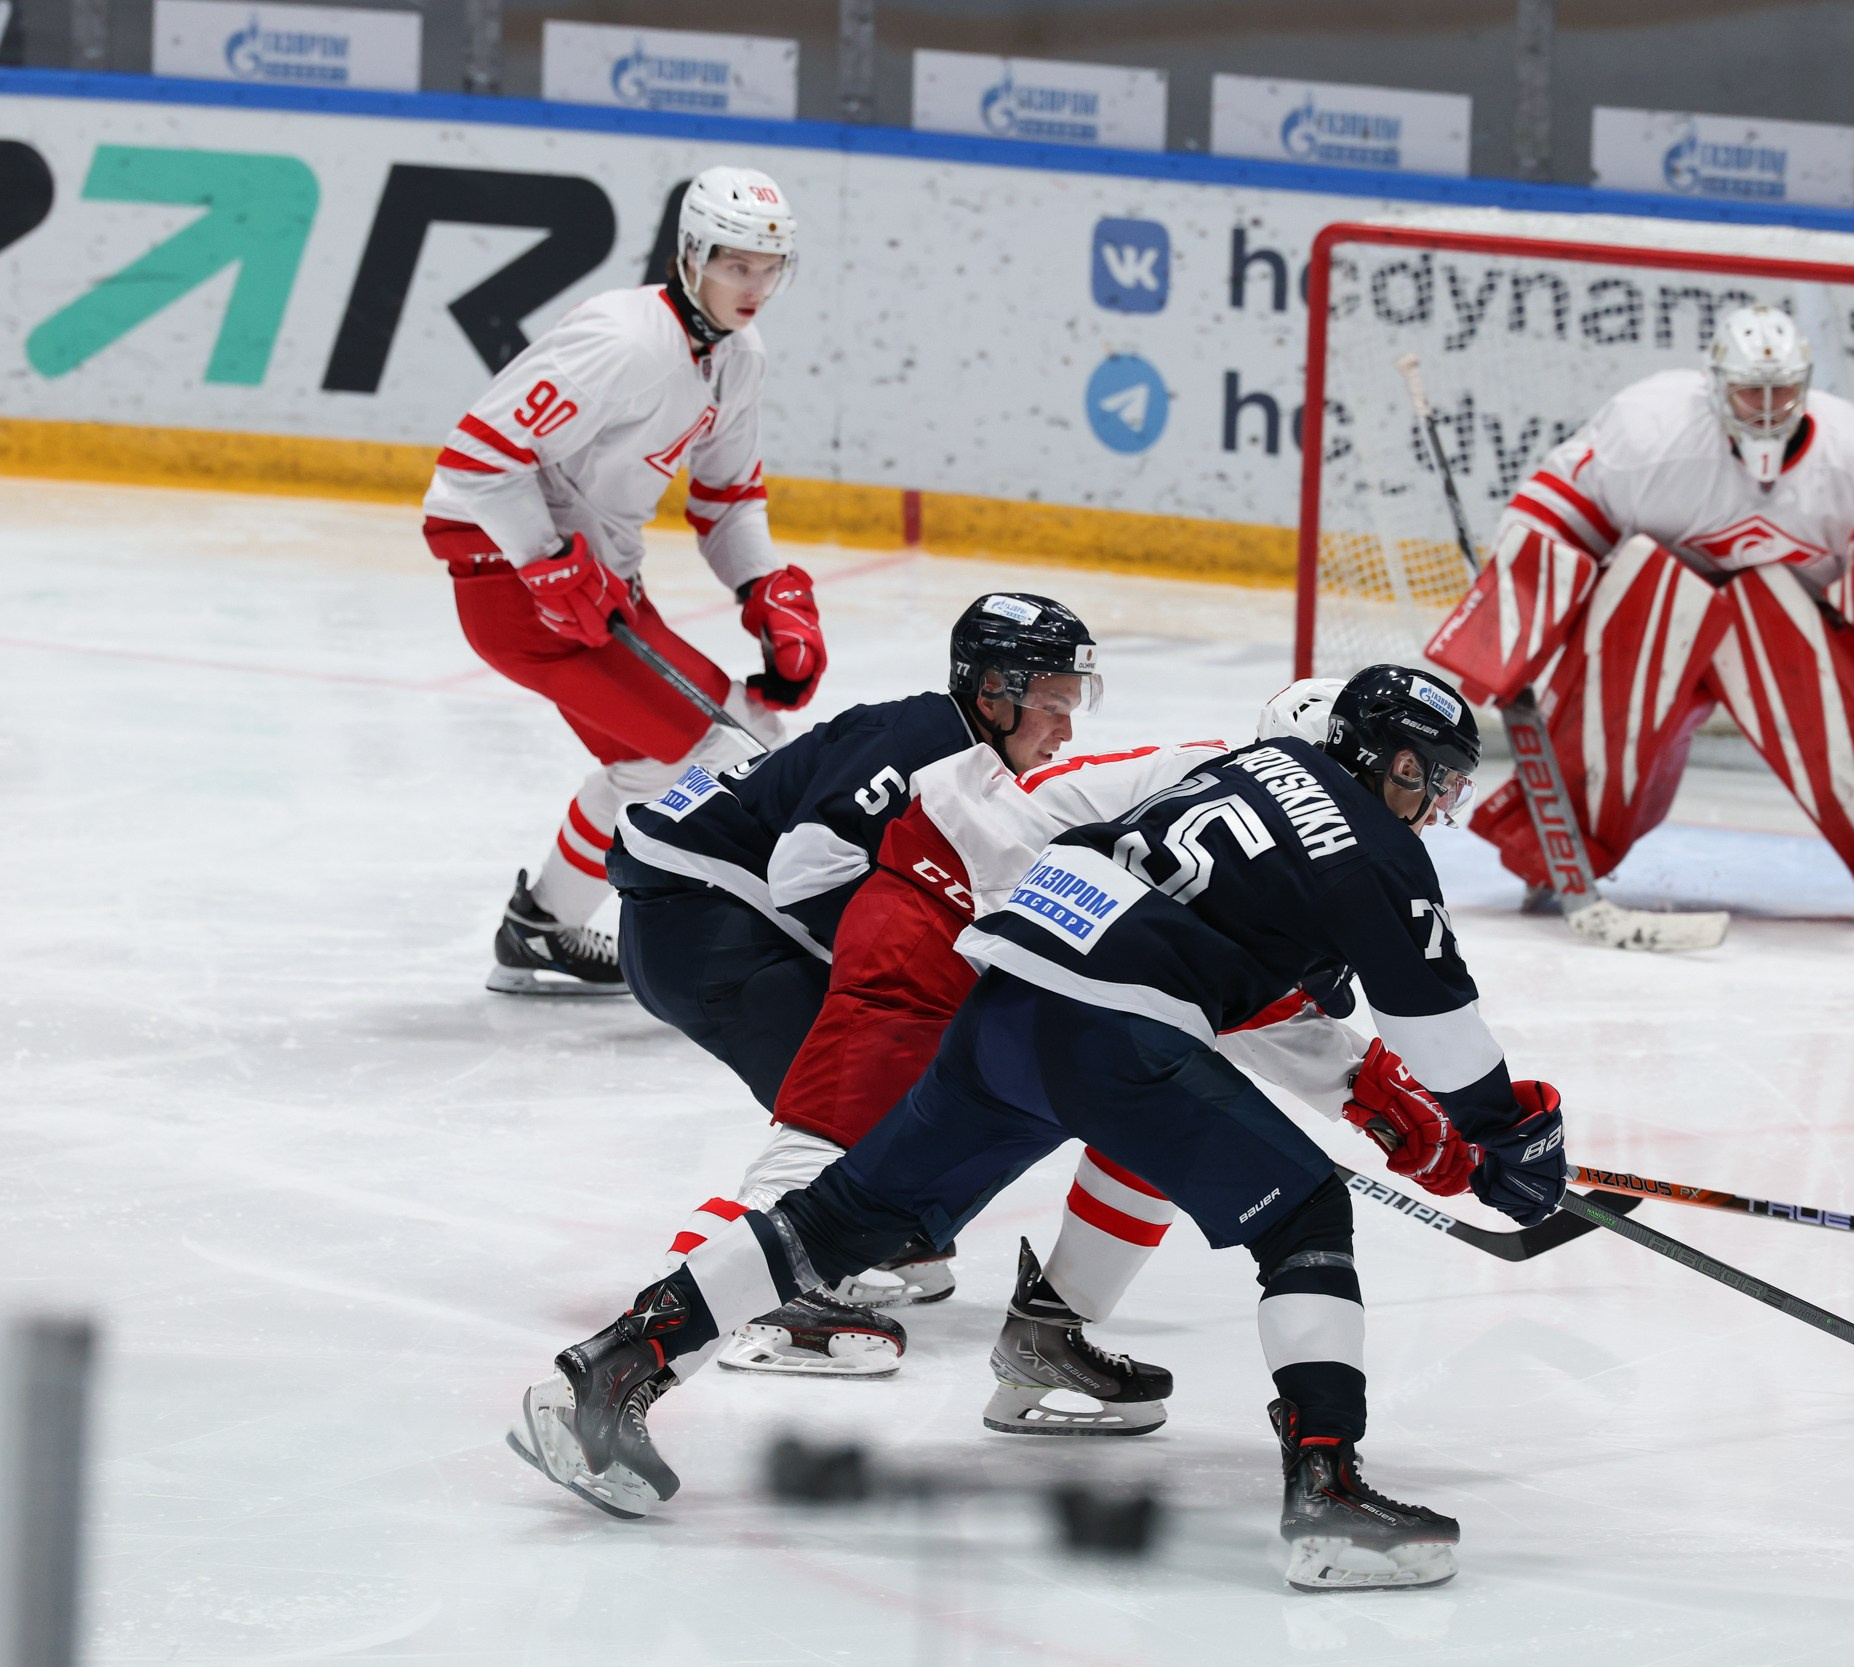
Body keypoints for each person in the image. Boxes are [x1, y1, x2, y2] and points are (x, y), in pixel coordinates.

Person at [508, 666, 1570, 1595]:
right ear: (1386, 761)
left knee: (854, 1212)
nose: (1434, 804)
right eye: (1430, 777)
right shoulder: (1368, 846)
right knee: (1304, 1212)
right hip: (1047, 985)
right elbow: (1434, 1021)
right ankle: (1329, 1489)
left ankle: (611, 1367)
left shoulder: (1228, 773)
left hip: (1007, 994)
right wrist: (1500, 1136)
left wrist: (1402, 1106)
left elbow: (1230, 971)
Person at [665, 676, 1368, 1442]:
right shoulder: (1203, 786)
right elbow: (1025, 823)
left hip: (1041, 959)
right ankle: (690, 1303)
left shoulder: (1313, 852)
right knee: (836, 1131)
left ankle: (1048, 1334)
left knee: (1160, 1120)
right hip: (938, 912)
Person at [610, 592, 1140, 1384]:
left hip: (704, 918)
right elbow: (805, 872)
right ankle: (742, 1290)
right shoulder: (930, 744)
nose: (1066, 729)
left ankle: (868, 1232)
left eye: (1075, 704)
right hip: (702, 925)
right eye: (1052, 703)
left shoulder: (957, 751)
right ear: (992, 690)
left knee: (916, 1076)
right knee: (855, 1103)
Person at [1426, 305, 1854, 927]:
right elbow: (1553, 522)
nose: (1767, 407)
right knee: (1646, 578)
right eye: (1750, 391)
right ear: (1714, 384)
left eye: (1782, 390)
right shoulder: (1649, 428)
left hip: (1794, 642)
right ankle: (1559, 852)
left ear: (1807, 387)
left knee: (1767, 604)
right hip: (1656, 622)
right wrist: (1510, 619)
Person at [421, 166, 827, 995]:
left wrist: (764, 589)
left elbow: (726, 498)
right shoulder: (623, 341)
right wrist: (543, 558)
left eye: (769, 267)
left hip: (591, 589)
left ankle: (542, 928)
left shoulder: (737, 357)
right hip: (517, 589)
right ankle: (749, 952)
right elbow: (475, 459)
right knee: (729, 753)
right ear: (692, 255)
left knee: (674, 757)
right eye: (736, 264)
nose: (754, 287)